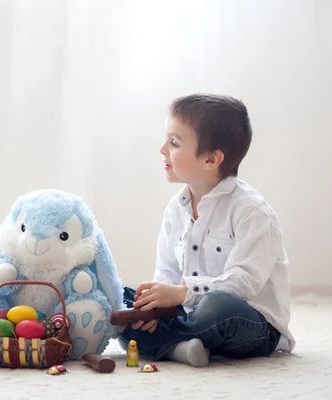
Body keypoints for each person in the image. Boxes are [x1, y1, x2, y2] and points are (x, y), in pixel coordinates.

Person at [118, 93, 295, 367]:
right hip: (188, 311)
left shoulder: (252, 212)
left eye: (174, 143)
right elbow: (166, 272)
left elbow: (242, 283)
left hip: (249, 323)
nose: (162, 149)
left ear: (211, 160)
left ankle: (167, 343)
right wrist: (155, 305)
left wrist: (181, 294)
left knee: (216, 307)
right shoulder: (175, 209)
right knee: (124, 300)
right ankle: (183, 347)